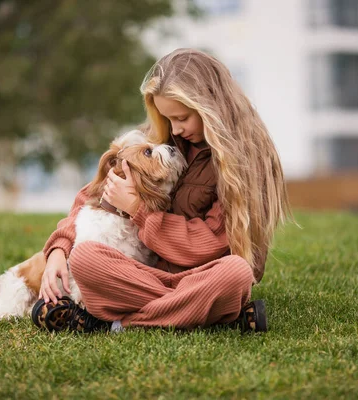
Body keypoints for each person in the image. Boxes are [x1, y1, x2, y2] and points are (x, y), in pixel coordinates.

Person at [33, 48, 291, 333]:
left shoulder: (247, 159)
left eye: (182, 118)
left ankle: (115, 324)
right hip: (142, 273)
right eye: (168, 119)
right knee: (85, 258)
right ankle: (211, 315)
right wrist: (59, 248)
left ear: (210, 106)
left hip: (199, 276)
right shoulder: (159, 138)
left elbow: (209, 243)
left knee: (236, 273)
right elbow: (91, 196)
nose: (175, 129)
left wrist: (140, 212)